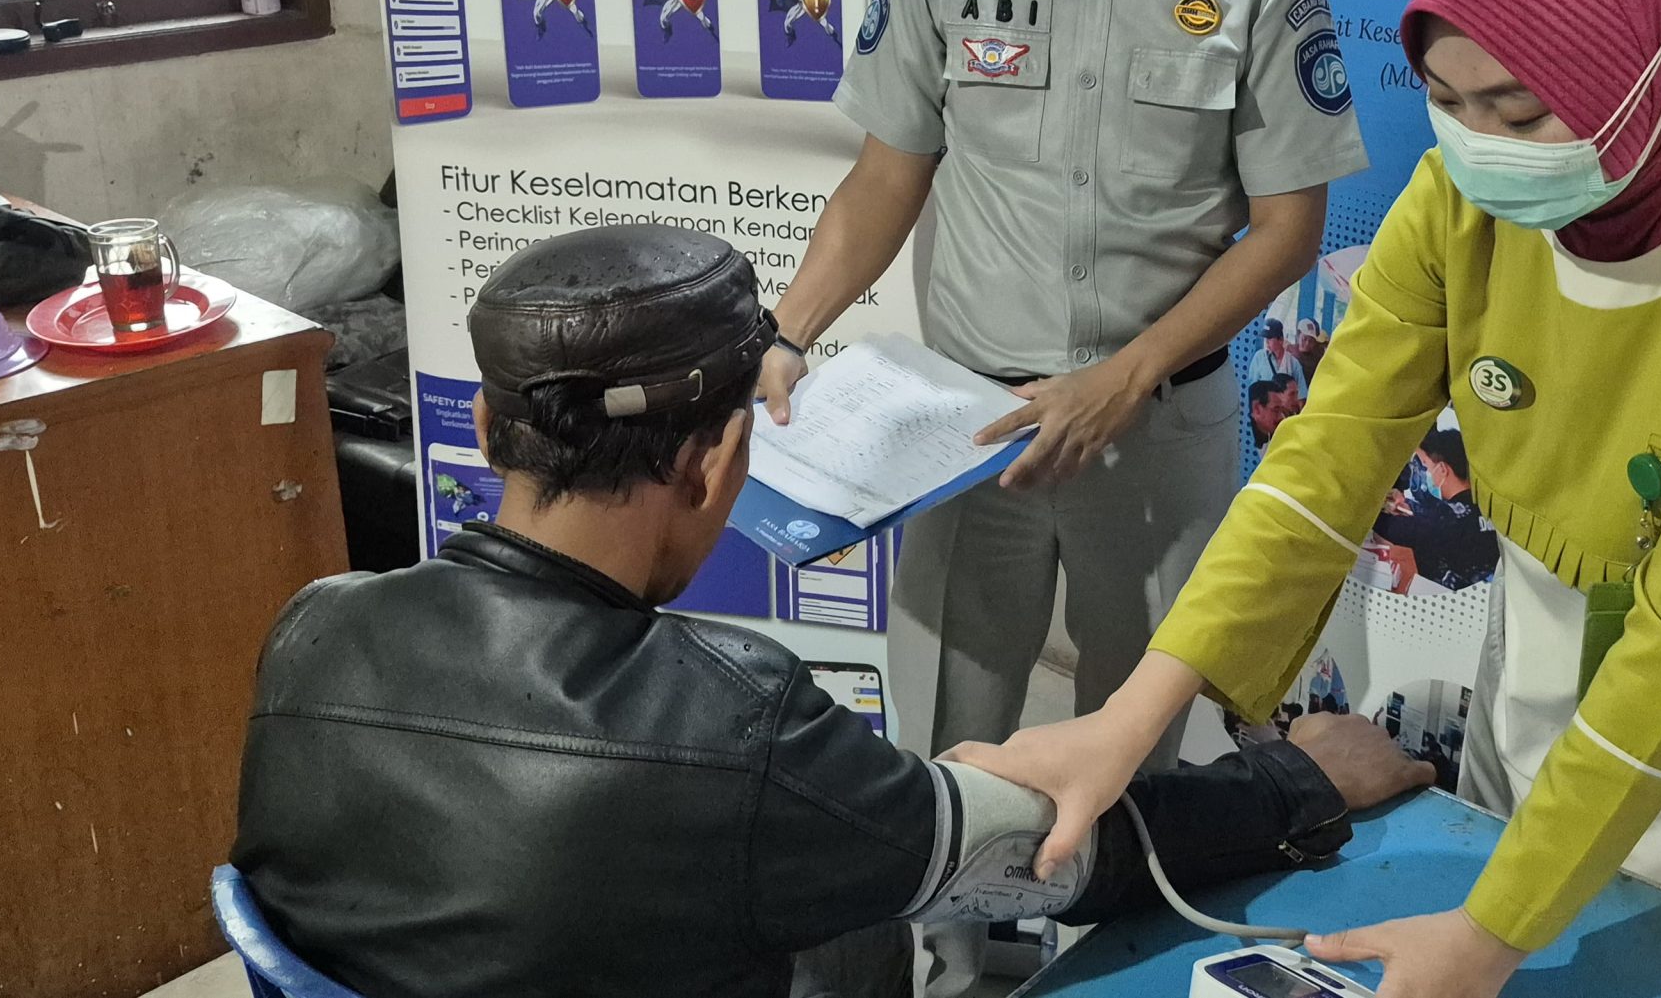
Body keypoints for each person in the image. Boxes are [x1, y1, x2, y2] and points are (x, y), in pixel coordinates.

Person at [957, 0, 1661, 996]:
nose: (1478, 145)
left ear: (1655, 69)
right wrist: (1126, 719)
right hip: (1538, 702)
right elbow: (1323, 467)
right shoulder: (1456, 202)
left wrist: (1486, 935)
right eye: (1444, 97)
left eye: (1517, 110)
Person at [229, 224, 1433, 998]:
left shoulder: (314, 626)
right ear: (718, 459)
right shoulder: (730, 724)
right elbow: (1038, 852)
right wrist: (1298, 781)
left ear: (491, 427)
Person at [762, 0, 1366, 994]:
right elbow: (885, 176)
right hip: (965, 428)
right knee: (947, 730)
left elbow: (1287, 228)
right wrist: (783, 329)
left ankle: (1109, 972)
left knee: (1140, 743)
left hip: (1156, 426)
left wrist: (1126, 374)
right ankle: (950, 969)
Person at [1372, 427, 1497, 592]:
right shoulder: (1490, 507)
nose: (1424, 473)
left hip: (1447, 601)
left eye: (1425, 465)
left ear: (1443, 469)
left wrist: (1381, 502)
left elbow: (1383, 525)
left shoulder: (1442, 519)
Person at [1246, 317, 1311, 389]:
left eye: (1270, 338)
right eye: (1265, 338)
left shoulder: (1293, 363)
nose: (1267, 342)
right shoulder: (1259, 357)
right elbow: (1252, 387)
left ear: (1280, 340)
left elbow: (1302, 391)